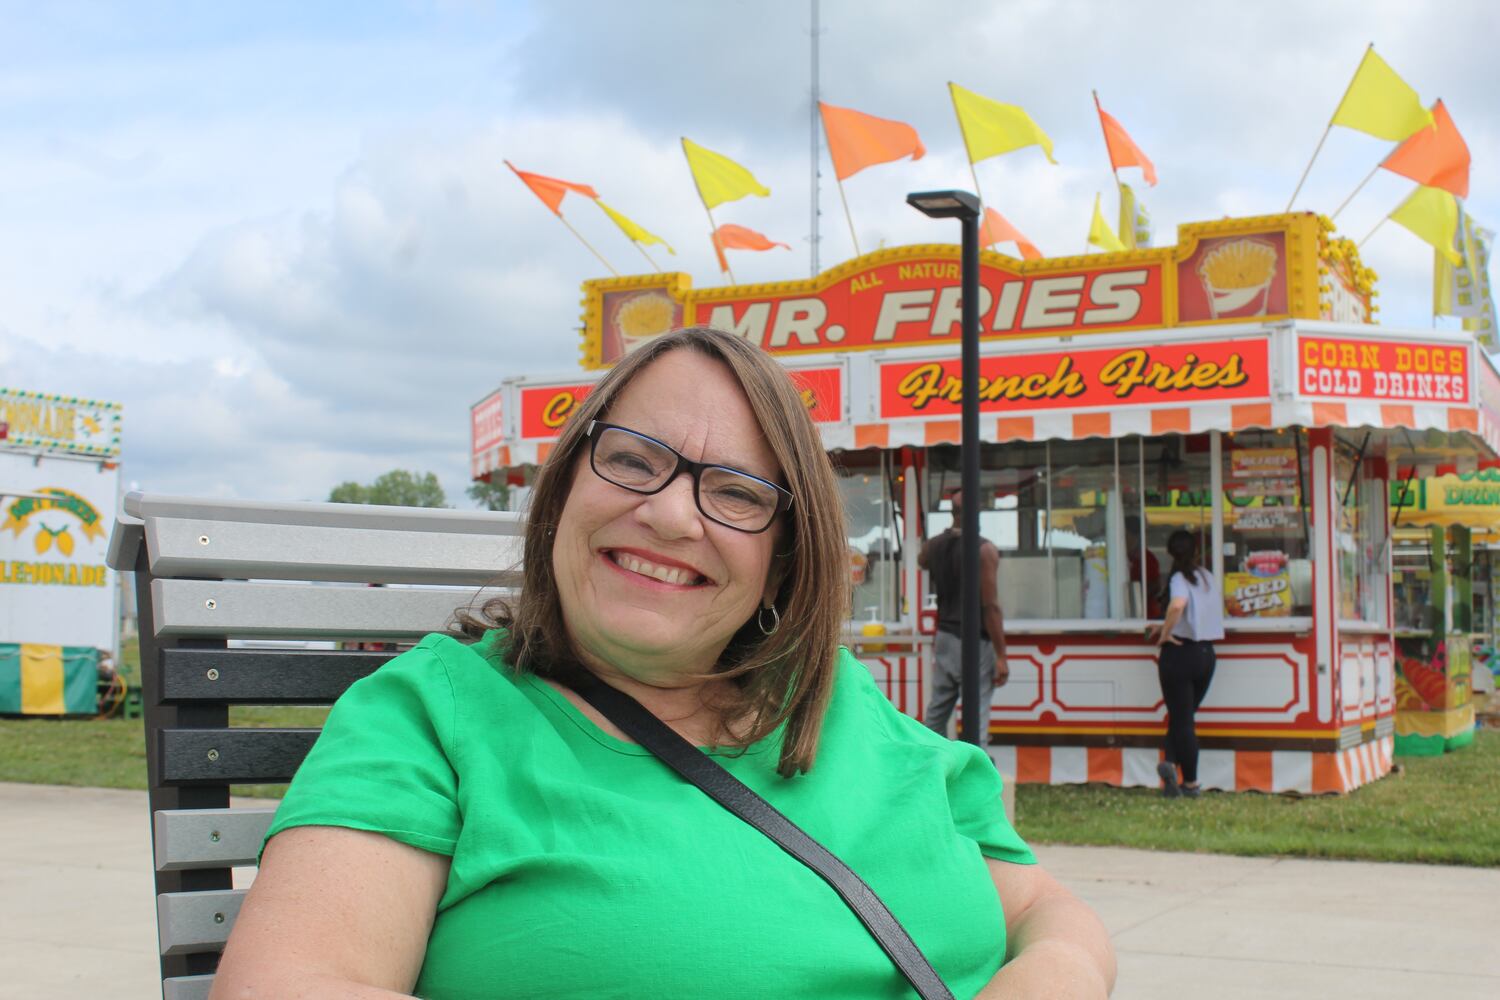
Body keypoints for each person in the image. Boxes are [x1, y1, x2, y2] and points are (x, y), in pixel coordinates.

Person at [212, 327, 1114, 999]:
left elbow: (1044, 909)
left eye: (734, 492)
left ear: (784, 559)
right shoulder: (436, 718)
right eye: (634, 459)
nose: (674, 516)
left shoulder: (844, 706)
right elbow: (287, 984)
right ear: (565, 487)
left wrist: (1055, 976)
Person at [919, 491, 1009, 739]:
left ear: (952, 513)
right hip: (974, 643)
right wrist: (1001, 655)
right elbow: (990, 606)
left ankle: (928, 769)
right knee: (976, 714)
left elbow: (922, 558)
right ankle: (974, 772)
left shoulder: (933, 546)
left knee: (936, 713)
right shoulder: (984, 550)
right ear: (976, 513)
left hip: (945, 636)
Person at [1147, 529, 1224, 799]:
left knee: (1182, 720)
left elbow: (1178, 605)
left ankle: (1189, 782)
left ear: (1170, 553)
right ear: (1196, 551)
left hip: (1179, 655)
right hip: (1206, 654)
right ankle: (1169, 762)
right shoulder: (1207, 576)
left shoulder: (1179, 578)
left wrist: (1166, 634)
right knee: (1184, 717)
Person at [1123, 515, 1162, 619]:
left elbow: (1156, 585)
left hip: (1146, 615)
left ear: (1135, 536)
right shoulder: (1119, 557)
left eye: (1125, 535)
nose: (1122, 539)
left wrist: (1136, 596)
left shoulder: (1146, 558)